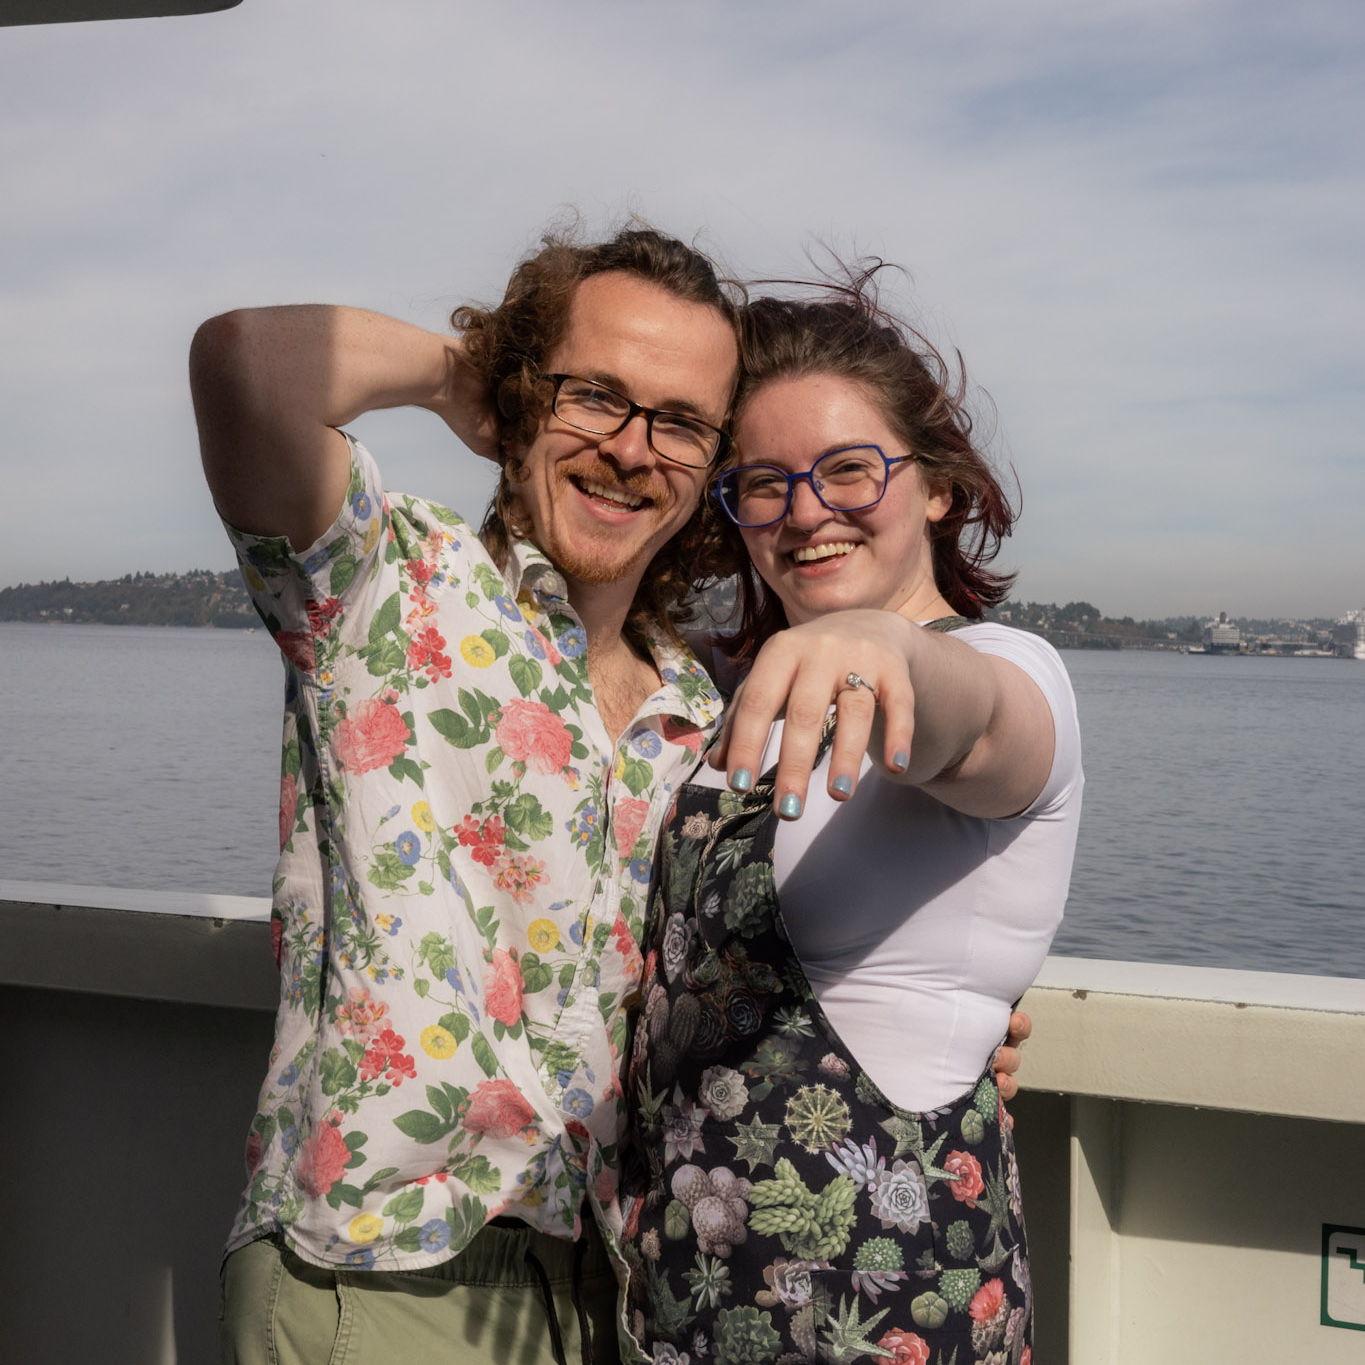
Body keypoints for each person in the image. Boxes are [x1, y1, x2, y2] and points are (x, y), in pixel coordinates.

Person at [192, 226, 1030, 1365]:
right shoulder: (386, 582)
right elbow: (245, 366)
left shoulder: (705, 712)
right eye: (595, 396)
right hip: (377, 1270)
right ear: (524, 393)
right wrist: (465, 377)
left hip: (612, 1288)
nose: (632, 450)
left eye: (679, 422)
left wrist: (943, 1012)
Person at [619, 276, 1081, 1365]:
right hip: (684, 1313)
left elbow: (979, 725)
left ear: (937, 486)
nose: (805, 511)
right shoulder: (731, 703)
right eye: (764, 484)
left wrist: (887, 645)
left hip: (892, 1317)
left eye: (848, 469)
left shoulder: (1010, 669)